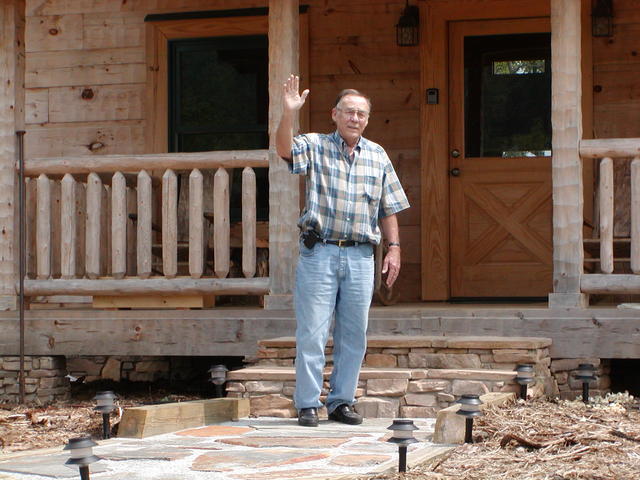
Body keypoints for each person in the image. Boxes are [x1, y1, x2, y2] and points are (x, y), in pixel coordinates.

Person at [276, 74, 410, 427]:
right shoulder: (316, 145)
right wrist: (289, 112)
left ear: (367, 119)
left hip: (361, 256)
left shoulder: (378, 156)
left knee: (354, 334)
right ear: (334, 114)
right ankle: (307, 403)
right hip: (319, 252)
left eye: (361, 114)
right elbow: (284, 150)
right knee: (313, 331)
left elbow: (388, 207)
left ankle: (341, 402)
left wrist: (393, 248)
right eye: (348, 112)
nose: (355, 118)